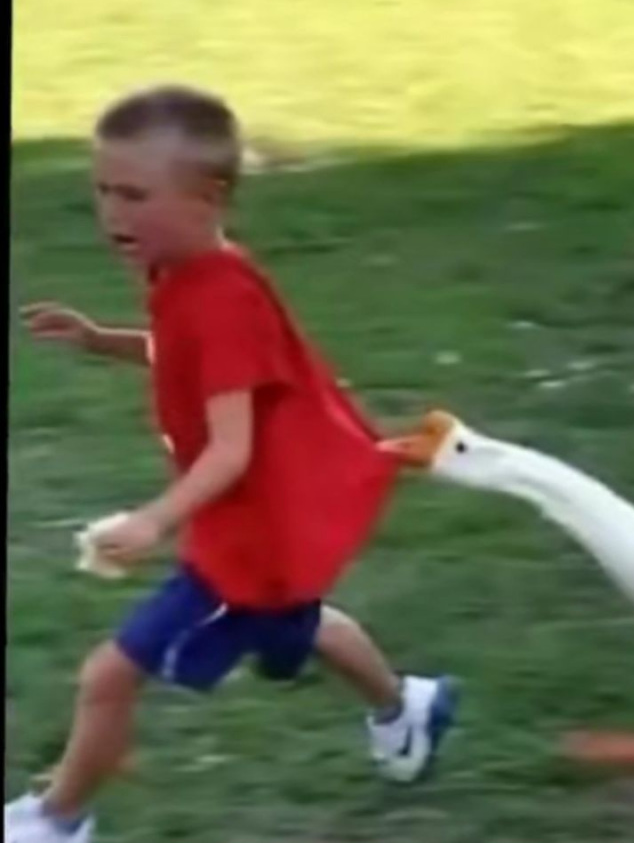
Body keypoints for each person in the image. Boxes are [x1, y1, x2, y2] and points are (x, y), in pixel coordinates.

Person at [5, 85, 458, 843]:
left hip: (250, 541)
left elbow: (231, 446)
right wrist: (100, 340)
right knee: (294, 627)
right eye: (103, 190)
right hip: (256, 529)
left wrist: (153, 521)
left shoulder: (221, 298)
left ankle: (58, 821)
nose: (112, 213)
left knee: (109, 676)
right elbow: (189, 358)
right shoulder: (187, 271)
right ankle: (406, 706)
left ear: (209, 196)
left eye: (134, 195)